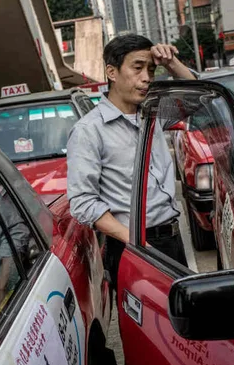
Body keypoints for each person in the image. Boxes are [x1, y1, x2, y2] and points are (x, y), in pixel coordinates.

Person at [66, 34, 196, 291]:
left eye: (150, 69)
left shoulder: (153, 115)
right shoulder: (89, 131)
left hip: (171, 240)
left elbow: (195, 98)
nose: (147, 78)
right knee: (149, 328)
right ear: (112, 72)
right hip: (132, 248)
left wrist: (171, 63)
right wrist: (137, 242)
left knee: (184, 325)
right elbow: (83, 203)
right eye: (137, 68)